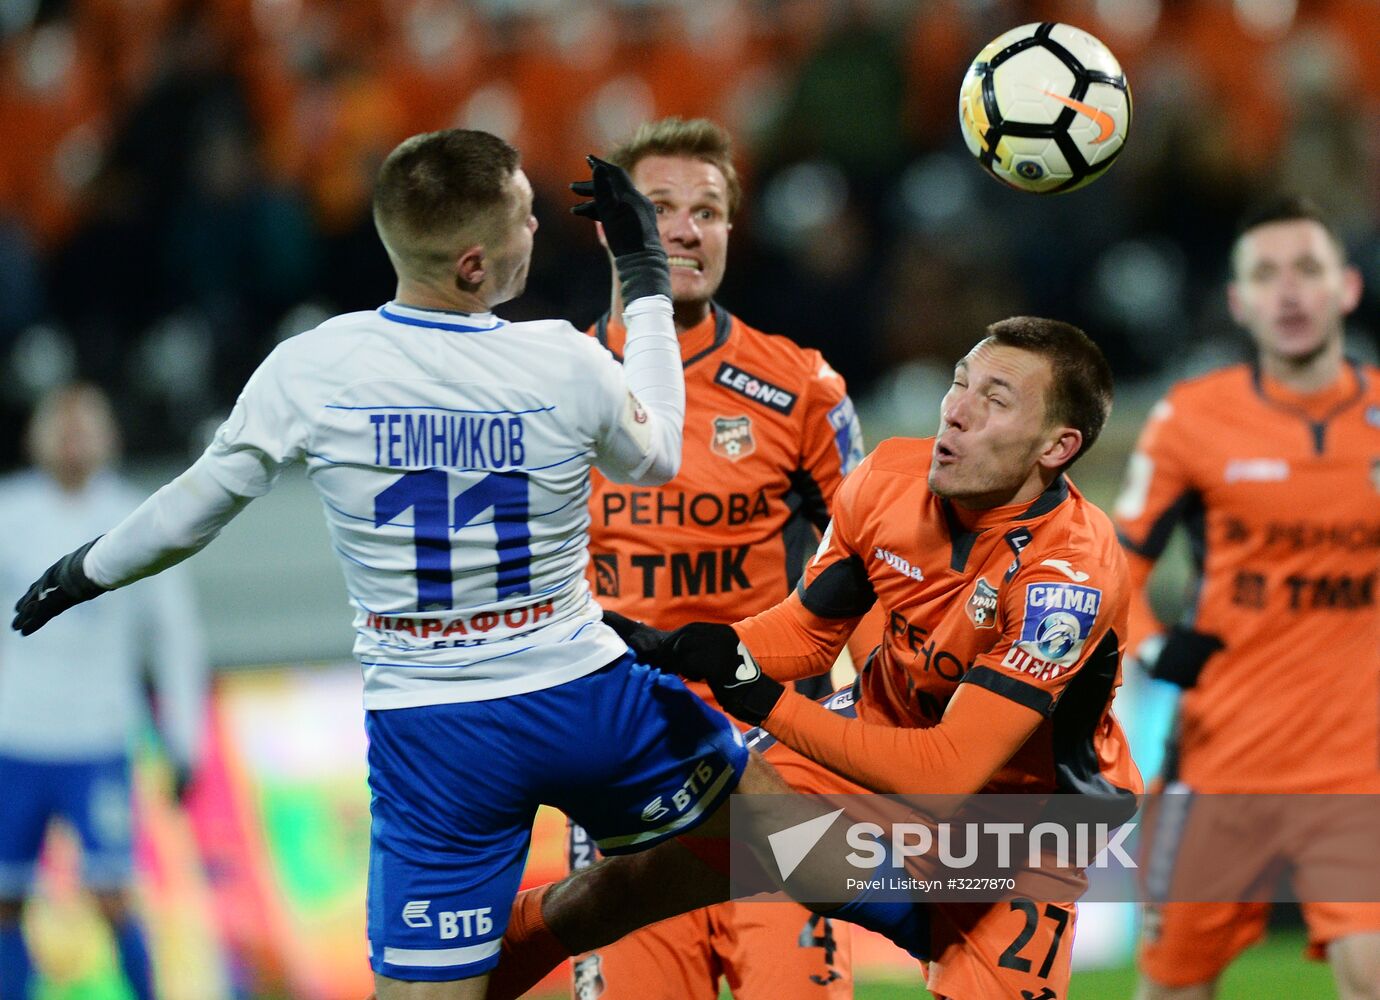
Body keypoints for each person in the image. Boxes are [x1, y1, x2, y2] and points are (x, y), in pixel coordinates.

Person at [10, 129, 780, 1000]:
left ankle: (522, 939)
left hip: (433, 735)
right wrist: (640, 279)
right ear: (476, 267)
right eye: (527, 218)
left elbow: (194, 508)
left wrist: (84, 570)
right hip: (583, 698)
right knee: (792, 841)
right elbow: (659, 453)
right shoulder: (564, 359)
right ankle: (963, 880)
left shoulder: (314, 366)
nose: (539, 230)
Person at [488, 317, 1143, 1000]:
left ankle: (910, 912)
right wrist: (692, 649)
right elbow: (808, 632)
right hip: (871, 745)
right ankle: (452, 975)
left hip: (1017, 821)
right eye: (960, 382)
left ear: (1057, 446)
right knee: (635, 883)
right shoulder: (889, 477)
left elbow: (945, 772)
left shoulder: (1066, 582)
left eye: (996, 399)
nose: (956, 410)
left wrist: (761, 697)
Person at [570, 116, 865, 1000]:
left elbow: (881, 564)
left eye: (709, 210)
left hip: (781, 774)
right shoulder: (553, 385)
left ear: (733, 231)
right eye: (658, 207)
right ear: (611, 225)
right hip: (622, 777)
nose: (686, 231)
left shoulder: (802, 387)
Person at [1114, 196, 1380, 1000]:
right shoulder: (1192, 420)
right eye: (1266, 274)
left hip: (1356, 769)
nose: (1289, 292)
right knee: (1172, 988)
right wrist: (1154, 644)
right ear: (1238, 302)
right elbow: (1107, 567)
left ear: (1348, 289)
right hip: (1220, 762)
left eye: (1308, 269)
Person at [0, 384, 208, 1000]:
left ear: (110, 437)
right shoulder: (8, 515)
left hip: (96, 739)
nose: (71, 437)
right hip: (15, 737)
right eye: (58, 425)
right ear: (33, 438)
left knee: (113, 895)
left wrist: (184, 738)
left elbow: (174, 637)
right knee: (6, 899)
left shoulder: (138, 518)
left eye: (85, 425)